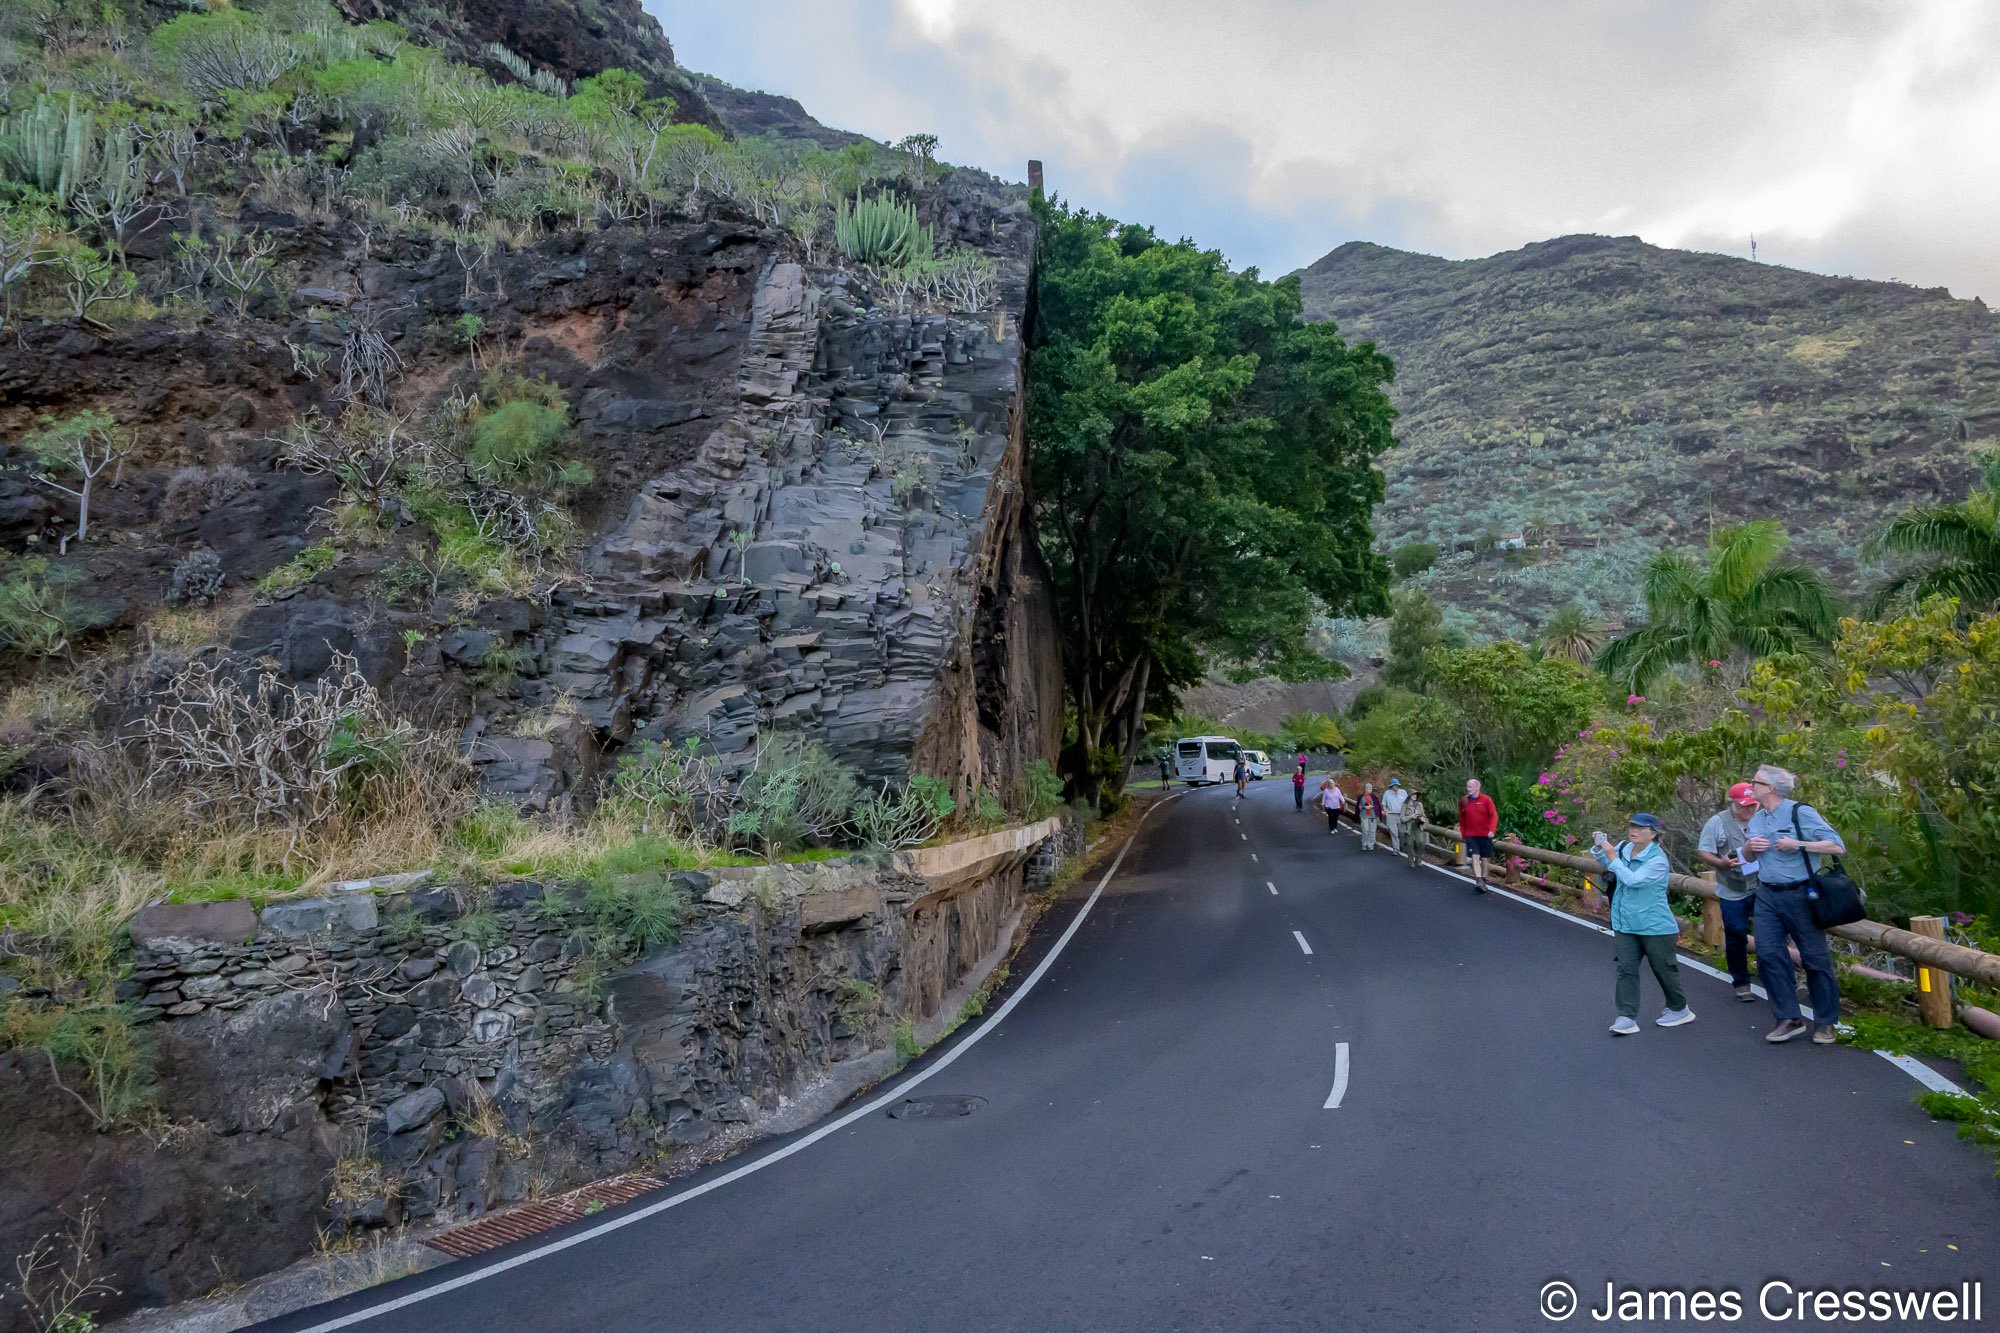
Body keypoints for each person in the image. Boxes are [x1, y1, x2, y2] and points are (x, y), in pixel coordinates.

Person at [1742, 764, 1846, 1045]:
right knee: (1767, 955)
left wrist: (1797, 844)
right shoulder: (1757, 818)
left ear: (1770, 788)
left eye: (1756, 781)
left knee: (1815, 959)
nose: (1750, 785)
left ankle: (1825, 1022)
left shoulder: (1801, 812)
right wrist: (1751, 849)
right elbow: (1748, 857)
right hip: (1766, 894)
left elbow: (1837, 846)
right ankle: (1788, 1017)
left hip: (1801, 894)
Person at [1592, 813, 1695, 1035]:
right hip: (1625, 923)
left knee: (1664, 969)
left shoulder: (1658, 860)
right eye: (1632, 826)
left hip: (1655, 926)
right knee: (1625, 969)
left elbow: (1633, 880)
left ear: (1654, 833)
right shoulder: (1622, 848)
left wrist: (1614, 858)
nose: (1634, 830)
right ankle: (1626, 1017)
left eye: (1641, 827)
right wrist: (1602, 851)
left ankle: (1679, 1008)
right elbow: (1610, 867)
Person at [1696, 782, 1762, 1001]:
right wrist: (1721, 863)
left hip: (1762, 887)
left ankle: (1776, 978)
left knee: (1770, 933)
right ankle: (1741, 982)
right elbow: (1704, 851)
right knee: (1735, 934)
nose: (1749, 811)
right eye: (1744, 806)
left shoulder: (1763, 820)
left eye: (1753, 805)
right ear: (1732, 803)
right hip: (1732, 889)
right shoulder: (1717, 823)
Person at [1458, 778, 1499, 894]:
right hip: (1471, 835)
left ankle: (1484, 878)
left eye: (1470, 787)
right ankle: (1479, 879)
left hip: (1485, 835)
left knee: (1485, 858)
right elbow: (1461, 818)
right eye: (1467, 786)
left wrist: (1492, 830)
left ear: (1477, 788)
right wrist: (1464, 833)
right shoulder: (1464, 801)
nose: (1468, 789)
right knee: (1475, 856)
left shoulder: (1486, 800)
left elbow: (1493, 816)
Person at [1382, 778, 1408, 854]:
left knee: (1402, 832)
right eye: (1394, 785)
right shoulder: (1387, 793)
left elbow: (1407, 803)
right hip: (1391, 815)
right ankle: (1396, 848)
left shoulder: (1403, 792)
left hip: (1401, 815)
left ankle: (1402, 846)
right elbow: (1383, 804)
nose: (1396, 787)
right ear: (1391, 786)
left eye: (1397, 785)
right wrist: (1386, 812)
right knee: (1394, 832)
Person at [1402, 786, 1427, 865]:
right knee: (1410, 844)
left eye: (1416, 794)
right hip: (1409, 827)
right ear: (1409, 796)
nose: (1415, 796)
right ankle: (1410, 860)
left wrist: (1421, 818)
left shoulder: (1419, 805)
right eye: (1413, 795)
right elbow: (1402, 818)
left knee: (1420, 842)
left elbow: (1423, 815)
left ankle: (1419, 860)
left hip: (1418, 826)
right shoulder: (1405, 805)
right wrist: (1410, 817)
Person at [1358, 781, 1383, 853]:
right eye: (1368, 788)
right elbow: (1358, 807)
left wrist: (1372, 807)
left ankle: (1370, 844)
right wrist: (1364, 807)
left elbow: (1377, 806)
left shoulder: (1374, 797)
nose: (1370, 790)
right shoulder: (1361, 797)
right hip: (1364, 815)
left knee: (1372, 831)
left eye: (1371, 788)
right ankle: (1364, 844)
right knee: (1365, 830)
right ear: (1365, 789)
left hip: (1372, 815)